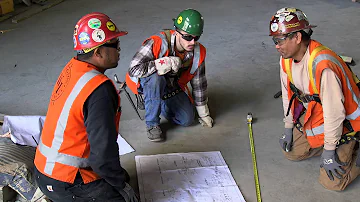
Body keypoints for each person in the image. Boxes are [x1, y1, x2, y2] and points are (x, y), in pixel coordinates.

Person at [33, 12, 139, 202]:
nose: (119, 49)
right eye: (115, 44)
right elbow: (103, 157)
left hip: (44, 169)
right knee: (126, 195)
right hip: (65, 180)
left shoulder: (73, 68)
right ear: (98, 52)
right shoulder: (99, 90)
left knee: (121, 176)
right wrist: (120, 186)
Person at [270, 7, 360, 191]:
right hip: (321, 111)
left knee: (333, 183)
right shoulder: (285, 59)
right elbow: (288, 95)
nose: (276, 46)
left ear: (297, 37)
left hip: (350, 122)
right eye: (274, 40)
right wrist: (288, 128)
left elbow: (335, 114)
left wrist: (328, 152)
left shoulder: (323, 66)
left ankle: (353, 147)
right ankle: (332, 144)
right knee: (293, 152)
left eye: (280, 40)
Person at [126, 8, 213, 142]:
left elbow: (199, 84)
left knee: (187, 119)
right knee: (156, 79)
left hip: (171, 85)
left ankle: (157, 101)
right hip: (148, 83)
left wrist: (203, 113)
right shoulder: (157, 43)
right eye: (188, 37)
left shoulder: (198, 52)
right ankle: (152, 123)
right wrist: (160, 64)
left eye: (196, 37)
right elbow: (134, 69)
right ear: (176, 32)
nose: (192, 42)